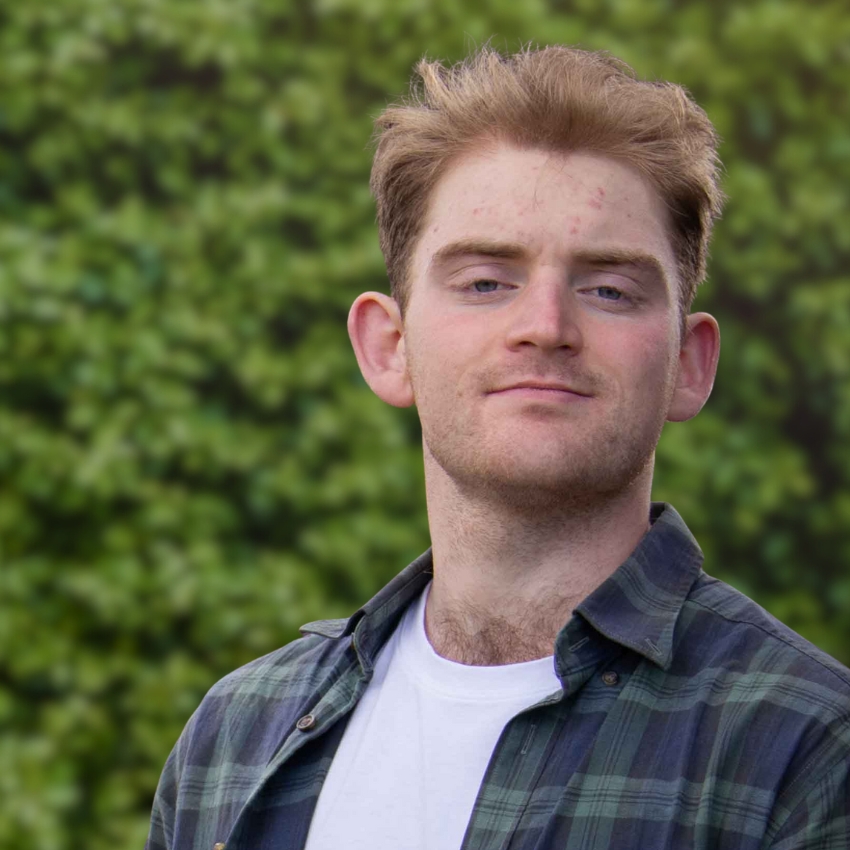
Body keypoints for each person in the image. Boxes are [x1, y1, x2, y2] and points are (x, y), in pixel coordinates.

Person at [146, 46, 850, 850]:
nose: (545, 326)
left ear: (688, 366)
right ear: (389, 346)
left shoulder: (807, 751)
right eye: (485, 282)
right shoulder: (234, 740)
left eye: (609, 290)